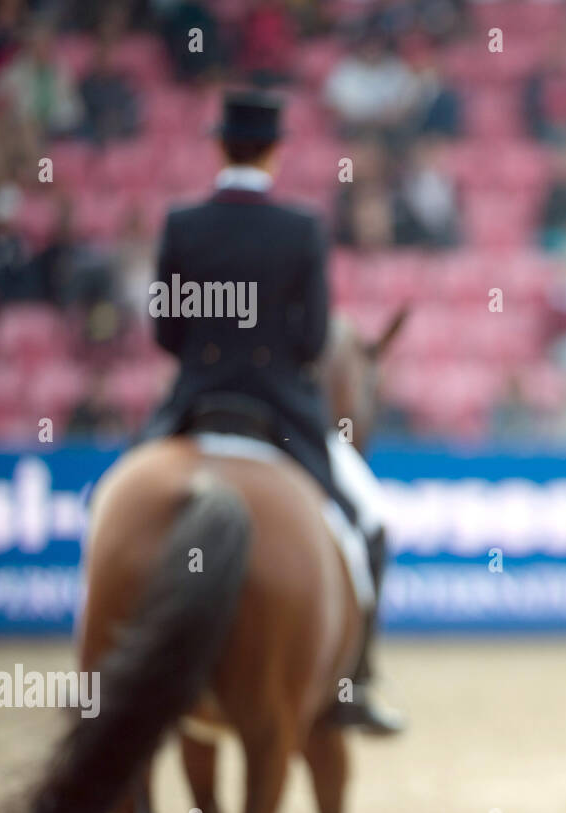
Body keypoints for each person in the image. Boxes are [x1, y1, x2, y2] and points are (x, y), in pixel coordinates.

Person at [141, 89, 402, 734]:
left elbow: (166, 335)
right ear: (276, 152)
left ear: (219, 145)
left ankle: (98, 668)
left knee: (111, 508)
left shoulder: (182, 224)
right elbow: (313, 339)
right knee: (369, 522)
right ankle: (353, 682)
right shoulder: (300, 228)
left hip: (193, 407)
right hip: (279, 413)